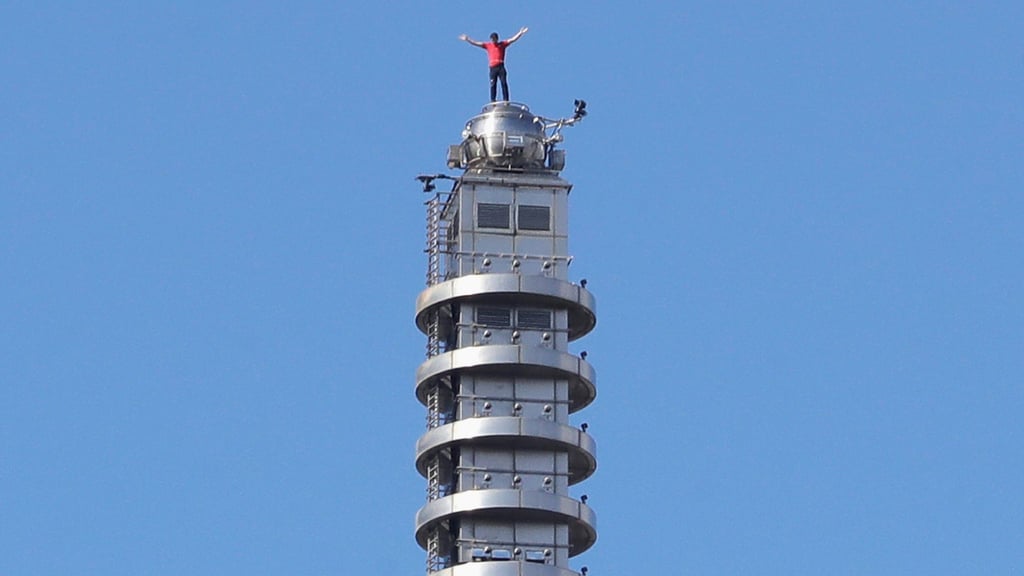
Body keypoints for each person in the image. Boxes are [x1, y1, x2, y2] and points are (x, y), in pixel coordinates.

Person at [459, 27, 528, 102]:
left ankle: (506, 100)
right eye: (492, 39)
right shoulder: (488, 45)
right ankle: (493, 100)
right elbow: (476, 43)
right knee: (493, 84)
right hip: (493, 68)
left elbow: (512, 40)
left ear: (497, 39)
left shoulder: (502, 44)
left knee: (503, 82)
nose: (493, 40)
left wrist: (520, 33)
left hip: (500, 66)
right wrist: (468, 39)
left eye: (494, 39)